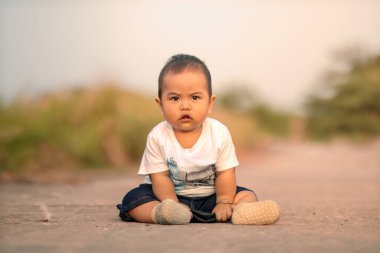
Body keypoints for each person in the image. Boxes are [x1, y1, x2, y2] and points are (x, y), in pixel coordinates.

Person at [117, 54, 280, 225]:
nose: (185, 105)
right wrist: (172, 203)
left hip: (211, 197)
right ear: (161, 104)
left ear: (210, 103)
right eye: (175, 98)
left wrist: (224, 201)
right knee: (133, 199)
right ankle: (161, 213)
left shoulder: (219, 133)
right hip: (166, 196)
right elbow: (160, 177)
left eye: (195, 97)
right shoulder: (158, 136)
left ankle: (241, 211)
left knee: (246, 195)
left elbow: (225, 172)